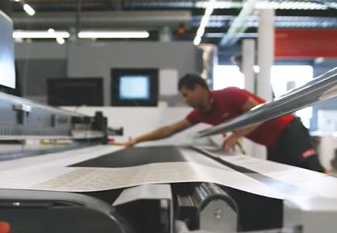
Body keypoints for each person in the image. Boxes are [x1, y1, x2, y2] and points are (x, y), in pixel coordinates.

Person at [124, 73, 325, 172]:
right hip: (272, 142)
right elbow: (170, 129)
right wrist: (137, 140)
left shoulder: (230, 94)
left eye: (186, 95)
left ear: (198, 89)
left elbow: (260, 113)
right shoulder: (202, 114)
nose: (186, 100)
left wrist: (235, 135)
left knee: (312, 170)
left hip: (289, 130)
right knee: (284, 179)